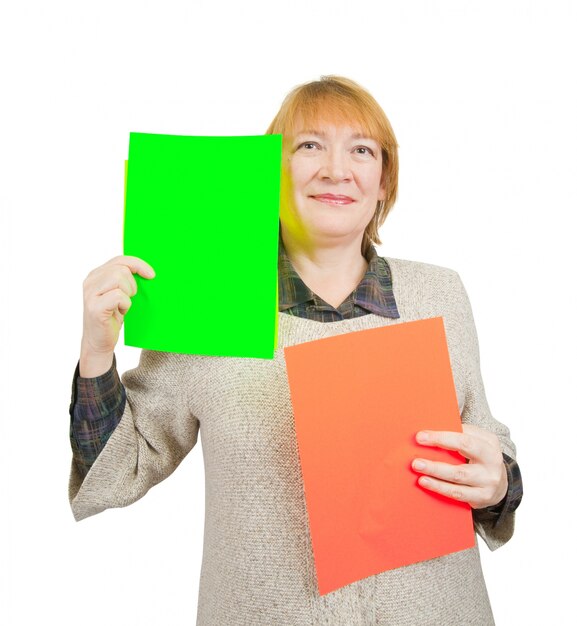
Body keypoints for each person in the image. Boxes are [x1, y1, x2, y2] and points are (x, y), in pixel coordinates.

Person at [69, 75, 522, 625]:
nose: (337, 169)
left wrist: (498, 481)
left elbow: (483, 443)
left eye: (362, 149)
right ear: (272, 174)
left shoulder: (439, 293)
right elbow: (120, 467)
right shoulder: (211, 306)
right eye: (309, 145)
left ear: (383, 182)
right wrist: (97, 351)